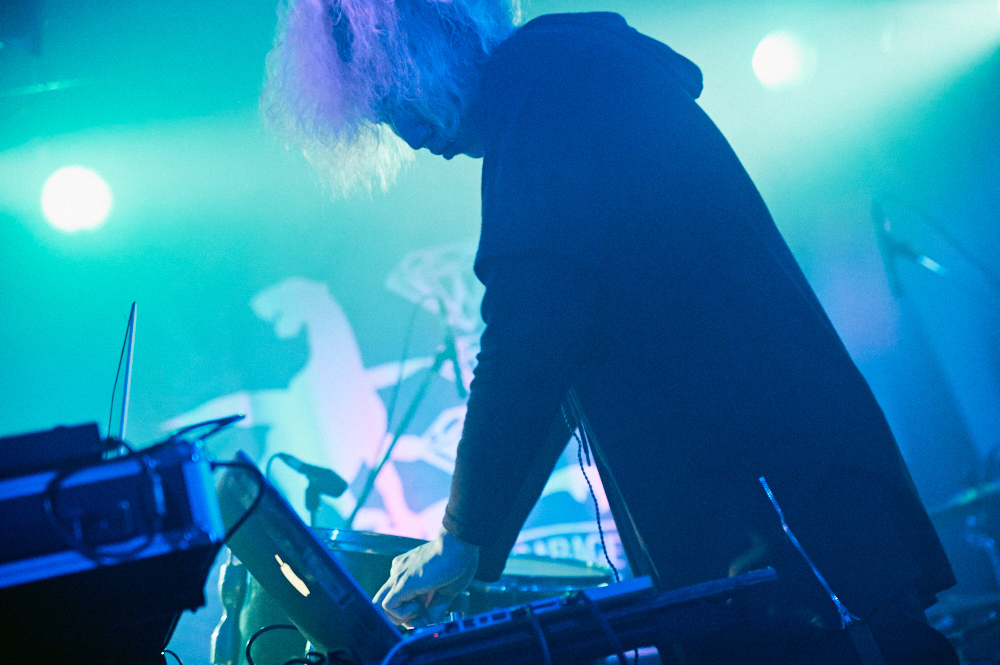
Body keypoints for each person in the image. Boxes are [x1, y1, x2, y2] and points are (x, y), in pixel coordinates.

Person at [262, 1, 959, 662]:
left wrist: (462, 535)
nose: (409, 137)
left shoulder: (545, 83)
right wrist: (468, 540)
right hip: (785, 497)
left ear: (430, 47)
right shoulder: (571, 77)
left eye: (394, 103)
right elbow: (558, 345)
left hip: (784, 509)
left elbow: (529, 333)